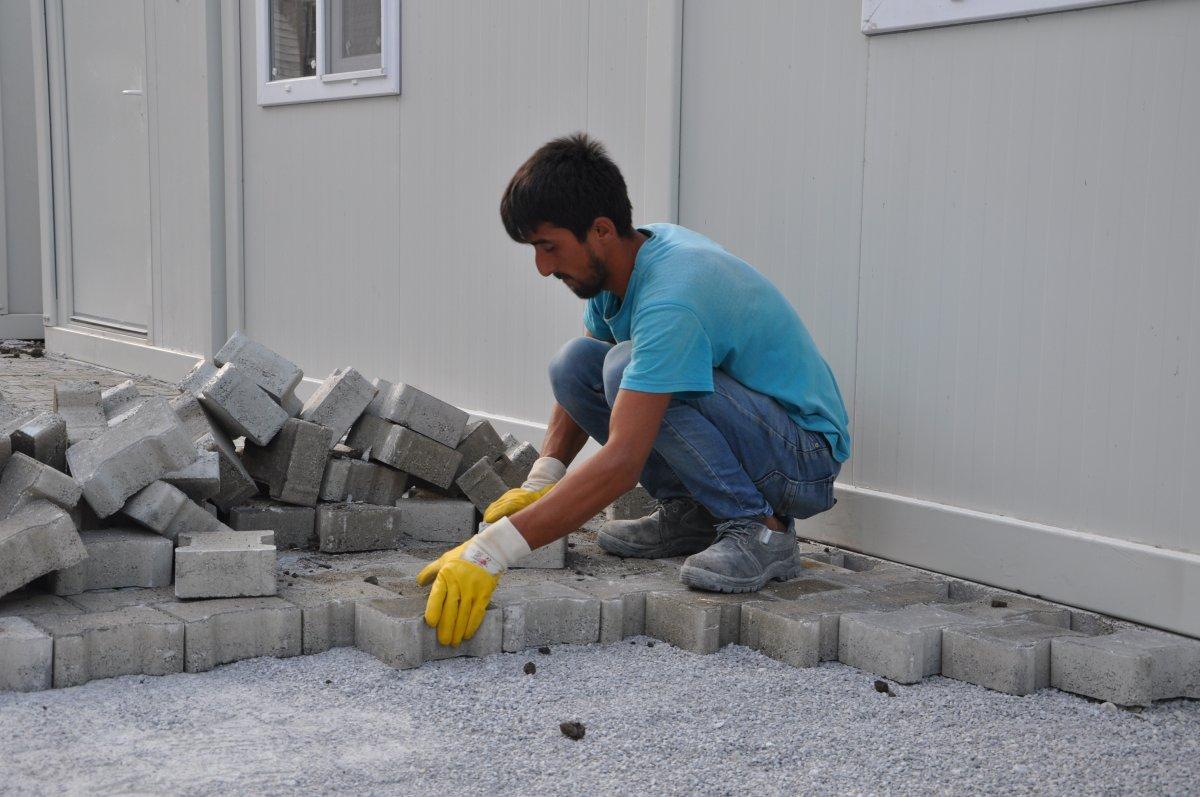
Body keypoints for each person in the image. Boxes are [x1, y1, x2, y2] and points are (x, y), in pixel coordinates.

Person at [418, 133, 850, 647]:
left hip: (801, 459)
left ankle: (762, 531)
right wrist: (542, 479)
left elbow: (624, 461)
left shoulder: (672, 297)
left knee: (628, 370)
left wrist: (491, 552)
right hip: (755, 434)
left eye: (549, 247)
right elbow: (582, 379)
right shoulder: (624, 261)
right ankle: (693, 514)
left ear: (600, 230)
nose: (542, 267)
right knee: (577, 364)